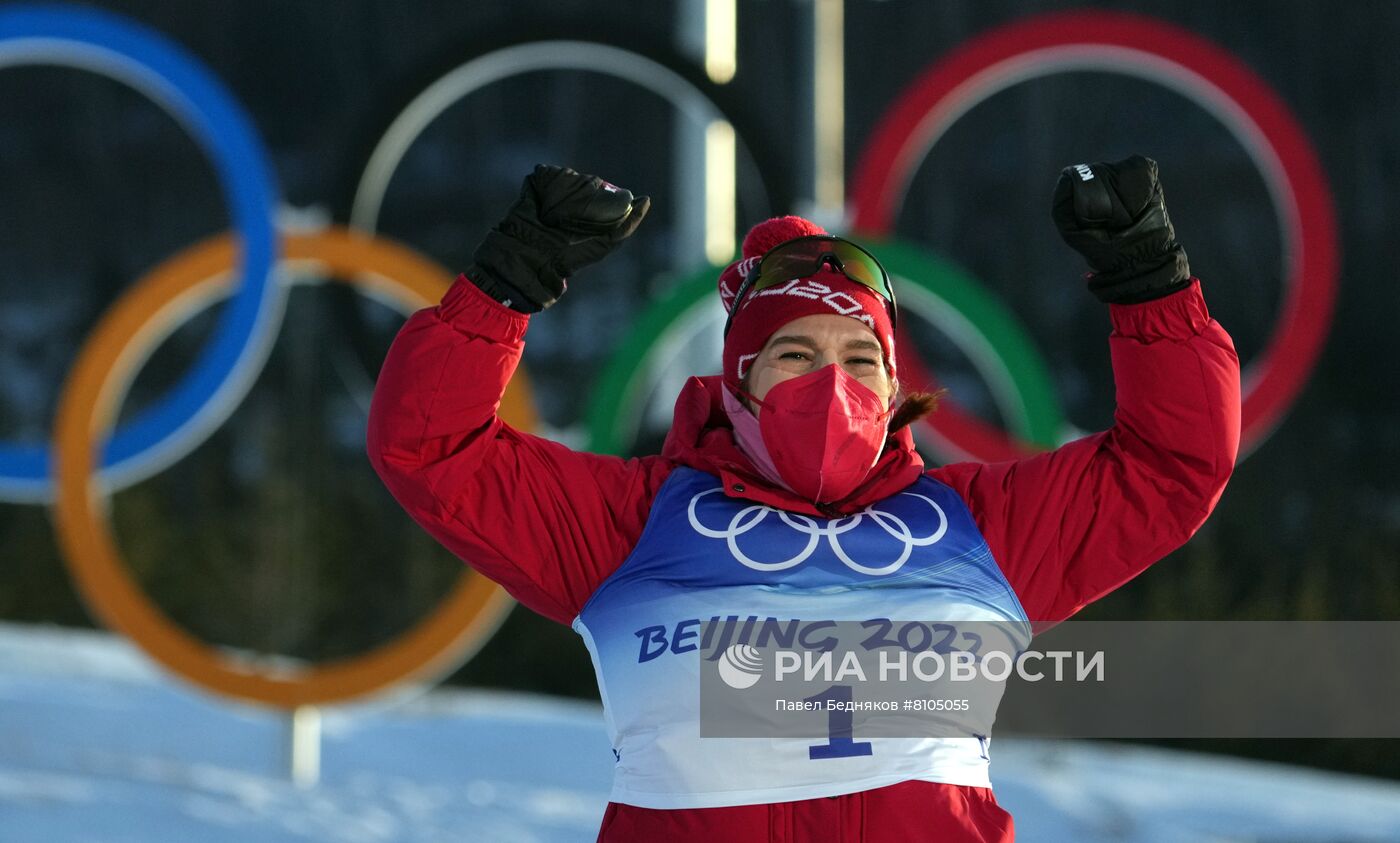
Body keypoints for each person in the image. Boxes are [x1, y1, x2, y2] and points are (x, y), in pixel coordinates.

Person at [366, 157, 1241, 842]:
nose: (831, 385)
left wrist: (1149, 280)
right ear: (737, 382)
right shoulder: (630, 524)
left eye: (860, 361)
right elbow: (431, 444)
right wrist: (507, 281)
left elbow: (1174, 459)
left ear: (897, 389)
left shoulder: (982, 526)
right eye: (792, 356)